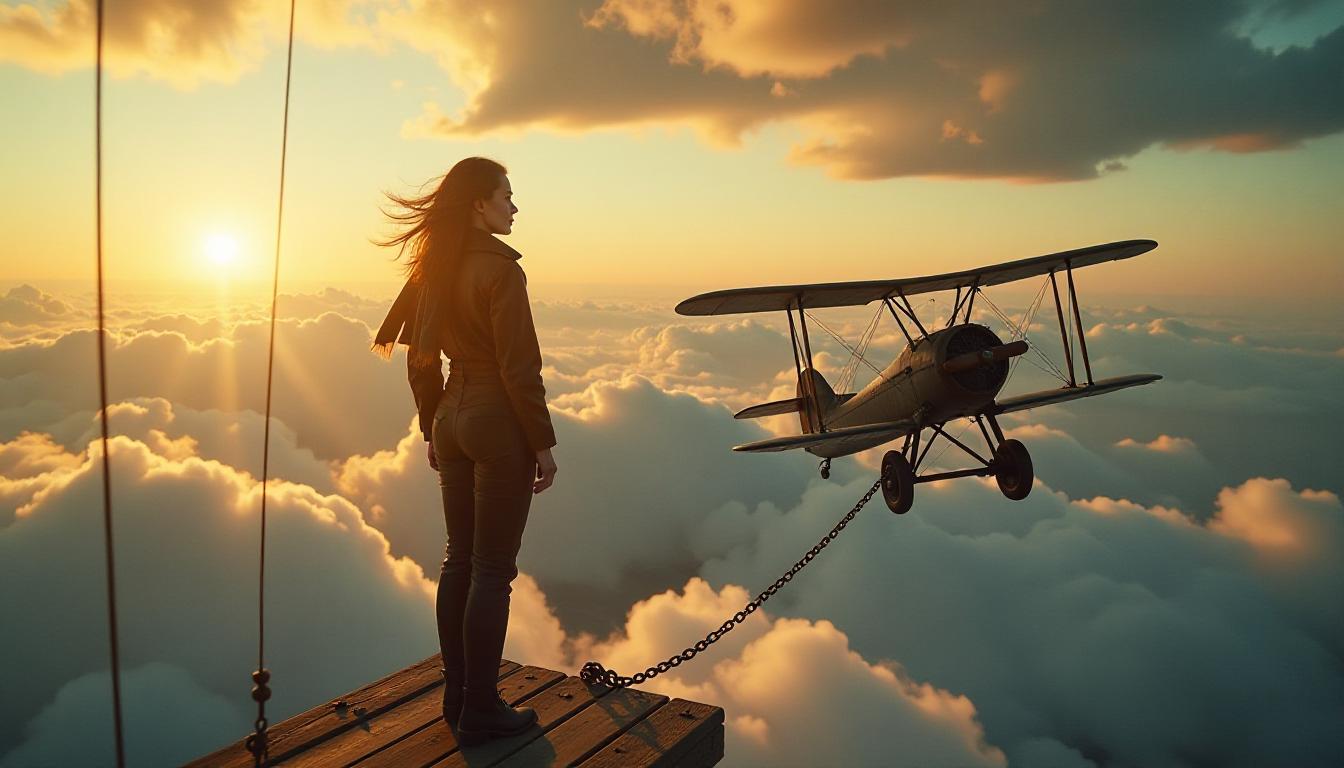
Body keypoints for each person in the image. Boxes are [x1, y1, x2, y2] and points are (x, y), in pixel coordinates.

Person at [371, 157, 558, 745]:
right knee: (493, 569)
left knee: (459, 559)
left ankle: (457, 697)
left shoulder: (434, 268)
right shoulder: (501, 270)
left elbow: (419, 359)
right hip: (495, 420)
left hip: (451, 416)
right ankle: (480, 706)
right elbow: (519, 368)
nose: (514, 206)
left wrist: (432, 426)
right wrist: (543, 444)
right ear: (479, 203)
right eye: (507, 194)